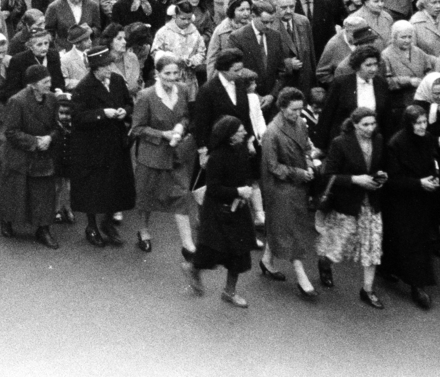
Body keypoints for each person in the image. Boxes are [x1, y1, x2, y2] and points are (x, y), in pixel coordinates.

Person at [317, 105, 386, 307]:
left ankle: (368, 289)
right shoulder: (340, 143)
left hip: (371, 202)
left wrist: (382, 175)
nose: (370, 128)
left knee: (373, 246)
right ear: (355, 125)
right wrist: (355, 179)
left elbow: (379, 165)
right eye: (365, 124)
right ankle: (325, 261)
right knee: (339, 246)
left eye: (373, 123)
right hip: (347, 203)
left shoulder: (378, 140)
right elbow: (328, 174)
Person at [130, 54, 197, 261]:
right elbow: (137, 128)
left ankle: (188, 245)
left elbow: (186, 116)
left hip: (177, 155)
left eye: (176, 73)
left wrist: (180, 126)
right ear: (157, 74)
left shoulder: (184, 90)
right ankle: (143, 230)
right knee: (146, 198)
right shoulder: (146, 95)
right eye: (167, 73)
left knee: (181, 196)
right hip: (151, 157)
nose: (172, 77)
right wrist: (162, 135)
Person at [69, 44, 136, 246]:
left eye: (110, 65)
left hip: (115, 141)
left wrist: (125, 110)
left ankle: (108, 223)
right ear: (95, 68)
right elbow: (77, 117)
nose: (109, 69)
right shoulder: (83, 88)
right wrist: (101, 113)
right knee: (93, 188)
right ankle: (91, 226)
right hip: (93, 145)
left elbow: (128, 102)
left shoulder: (116, 81)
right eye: (105, 66)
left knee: (115, 185)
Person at [191, 114, 259, 307]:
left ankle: (230, 292)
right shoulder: (217, 157)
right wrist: (238, 191)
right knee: (211, 251)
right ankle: (193, 269)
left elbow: (247, 175)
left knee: (239, 253)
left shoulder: (241, 151)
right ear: (230, 135)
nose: (245, 132)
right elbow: (213, 188)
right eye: (240, 131)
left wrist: (244, 188)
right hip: (218, 212)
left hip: (238, 209)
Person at [260, 86, 321, 296]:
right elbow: (273, 166)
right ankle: (301, 275)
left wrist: (310, 163)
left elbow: (305, 147)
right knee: (292, 229)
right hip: (279, 187)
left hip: (296, 184)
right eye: (293, 110)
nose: (297, 114)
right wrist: (299, 173)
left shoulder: (300, 123)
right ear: (282, 107)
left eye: (300, 109)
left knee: (283, 225)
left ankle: (267, 260)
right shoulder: (271, 132)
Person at [381, 104, 438, 308]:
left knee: (416, 241)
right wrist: (419, 183)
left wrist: (434, 178)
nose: (423, 127)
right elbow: (393, 179)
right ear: (409, 124)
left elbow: (431, 162)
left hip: (421, 197)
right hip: (401, 200)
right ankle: (417, 287)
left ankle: (392, 270)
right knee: (408, 241)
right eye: (418, 123)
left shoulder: (428, 139)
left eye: (424, 122)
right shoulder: (396, 144)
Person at [0, 63, 61, 249]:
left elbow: (58, 126)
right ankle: (7, 220)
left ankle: (43, 229)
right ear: (33, 84)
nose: (49, 85)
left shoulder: (52, 100)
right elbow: (10, 132)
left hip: (43, 154)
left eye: (49, 81)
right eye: (45, 82)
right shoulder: (17, 101)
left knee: (44, 193)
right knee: (16, 192)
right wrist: (35, 142)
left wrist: (49, 138)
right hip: (20, 156)